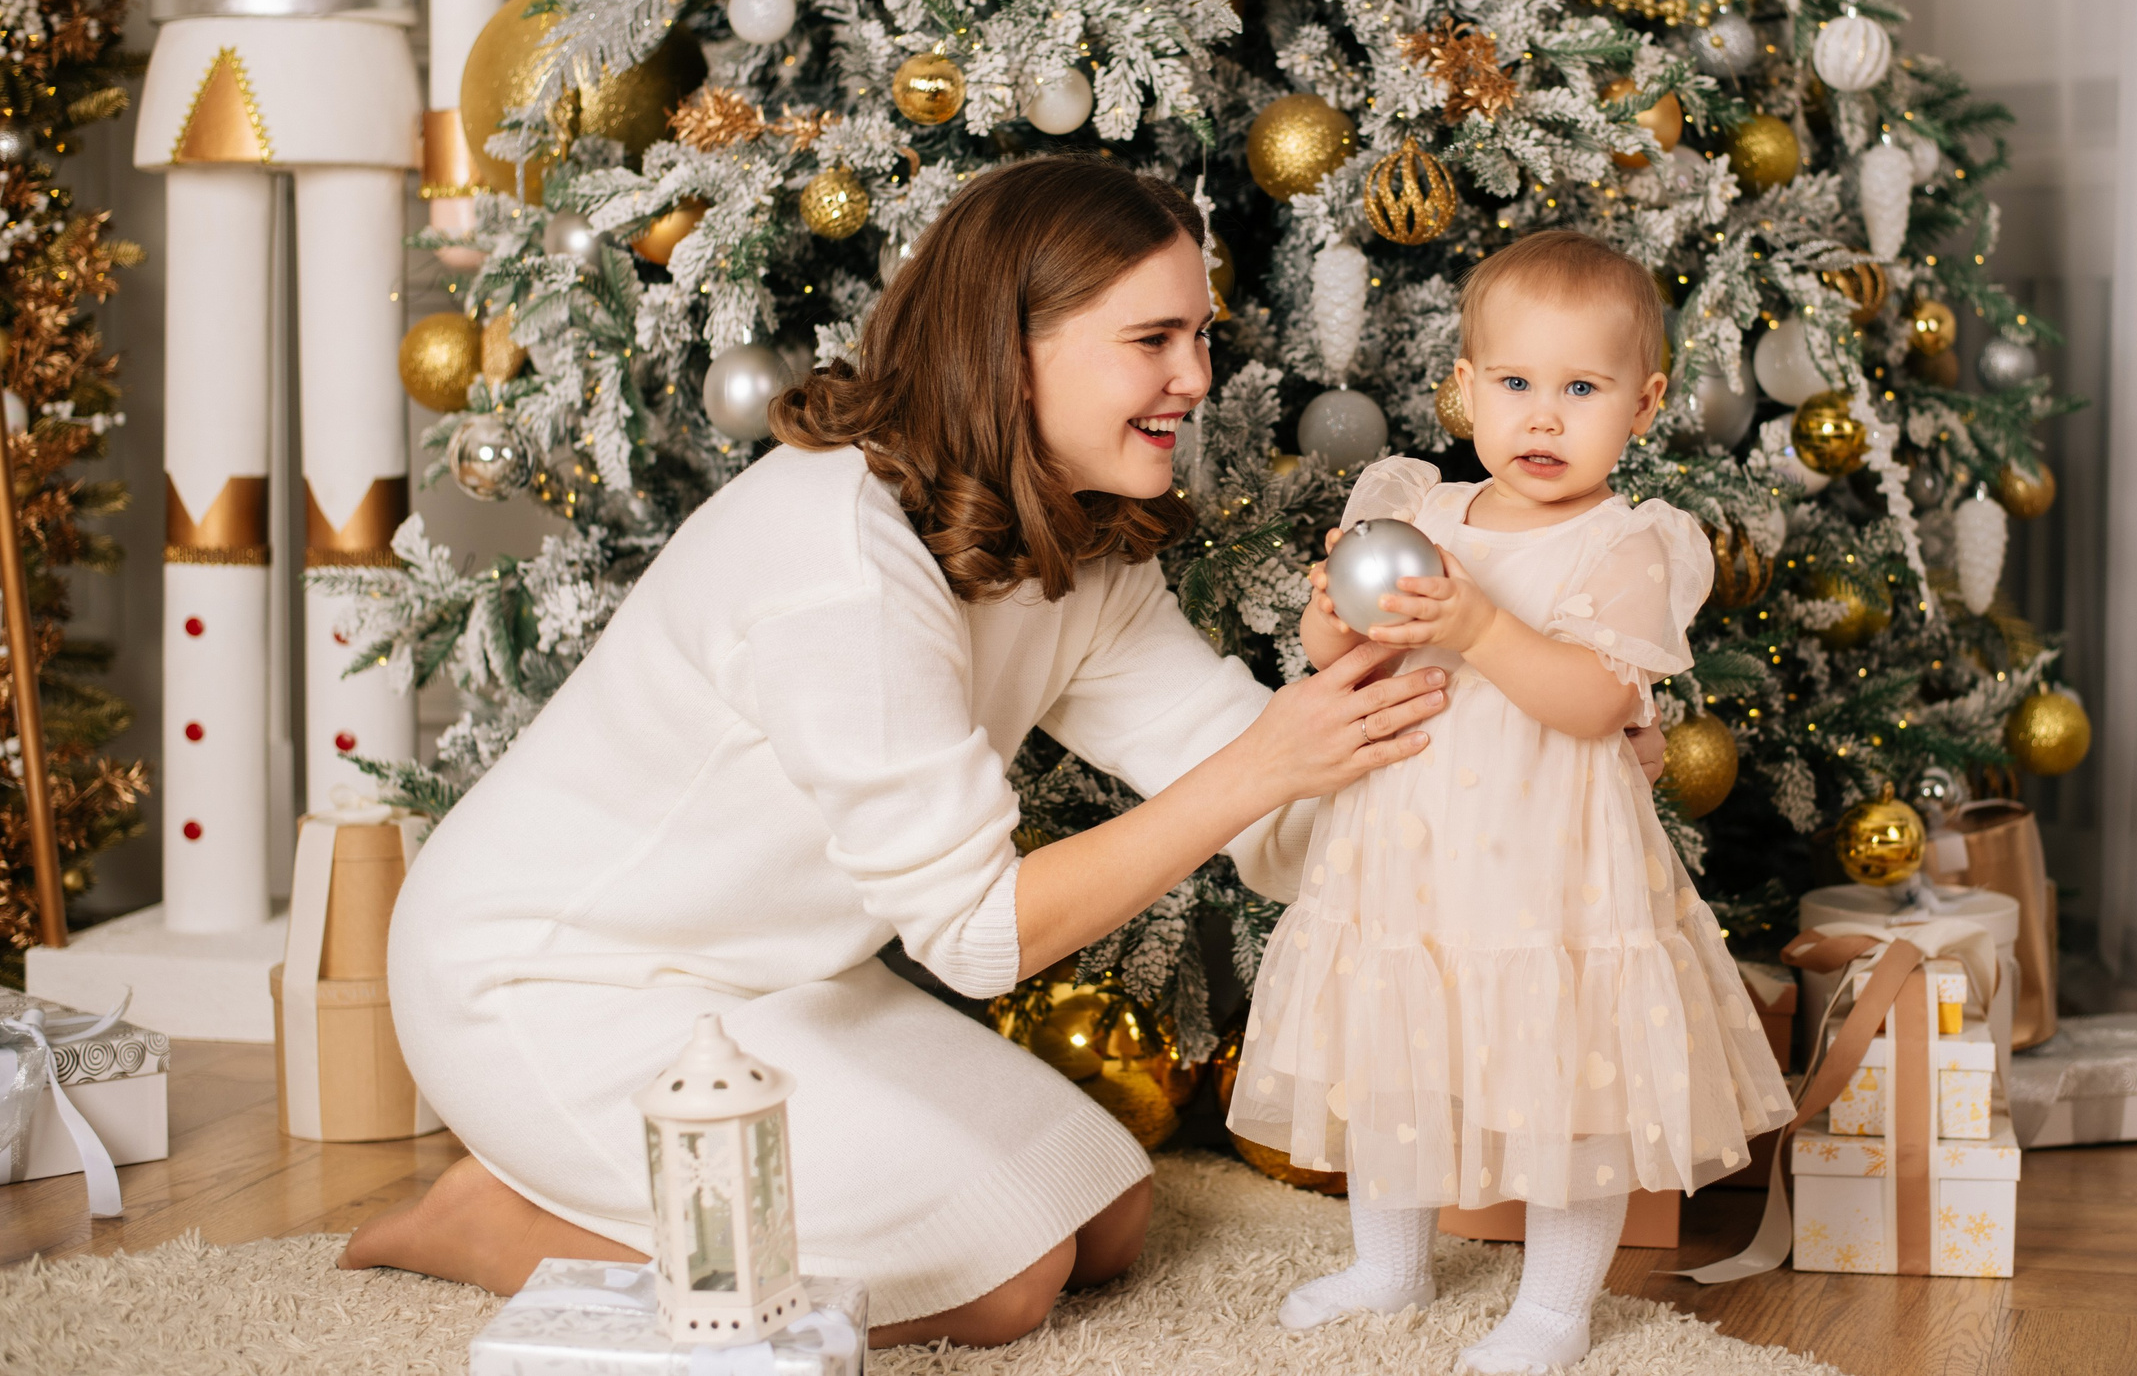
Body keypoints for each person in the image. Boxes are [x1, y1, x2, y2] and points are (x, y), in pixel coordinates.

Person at [343, 157, 1461, 1345]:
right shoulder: (839, 560)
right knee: (1003, 1280)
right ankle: (494, 1221)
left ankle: (615, 1200)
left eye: (1199, 333)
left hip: (782, 982)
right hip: (558, 982)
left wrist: (1345, 697)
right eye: (1153, 338)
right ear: (1010, 348)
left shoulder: (1074, 540)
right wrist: (1260, 766)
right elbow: (979, 936)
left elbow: (1269, 820)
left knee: (1113, 1215)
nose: (1196, 377)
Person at [1226, 231, 1793, 1374]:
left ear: (1644, 402)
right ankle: (1389, 1263)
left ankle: (1553, 1304)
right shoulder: (1421, 511)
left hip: (1551, 864)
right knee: (1393, 1046)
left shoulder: (1629, 543)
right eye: (1517, 384)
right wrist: (1338, 608)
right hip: (1409, 843)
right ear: (1468, 387)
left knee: (1568, 1073)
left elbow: (1591, 701)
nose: (1543, 417)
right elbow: (1341, 652)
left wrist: (1482, 624)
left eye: (1580, 389)